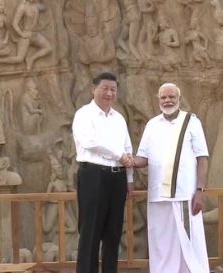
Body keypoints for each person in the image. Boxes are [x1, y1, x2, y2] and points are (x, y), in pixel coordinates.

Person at [132, 82, 209, 273]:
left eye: (171, 97)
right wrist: (126, 160)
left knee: (189, 246)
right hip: (158, 196)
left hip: (183, 196)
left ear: (179, 99)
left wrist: (200, 190)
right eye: (164, 97)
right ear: (158, 100)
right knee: (161, 243)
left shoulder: (191, 122)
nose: (167, 101)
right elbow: (143, 158)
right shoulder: (152, 125)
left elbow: (203, 158)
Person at [72, 72, 134, 273]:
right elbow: (89, 142)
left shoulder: (119, 119)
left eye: (113, 90)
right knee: (90, 232)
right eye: (105, 88)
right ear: (94, 89)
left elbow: (127, 149)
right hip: (93, 176)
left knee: (113, 232)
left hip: (117, 178)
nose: (109, 93)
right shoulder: (84, 114)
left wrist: (130, 179)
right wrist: (118, 154)